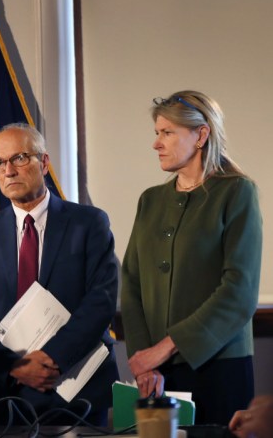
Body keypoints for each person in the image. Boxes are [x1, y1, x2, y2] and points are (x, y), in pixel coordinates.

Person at [0, 123, 119, 425]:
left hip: (76, 385)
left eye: (19, 158)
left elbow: (102, 300)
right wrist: (15, 365)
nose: (8, 171)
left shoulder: (89, 223)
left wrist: (52, 359)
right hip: (6, 391)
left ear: (44, 163)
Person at [121, 90, 262, 425]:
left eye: (167, 133)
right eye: (157, 133)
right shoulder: (150, 200)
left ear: (201, 135)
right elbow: (131, 283)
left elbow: (239, 291)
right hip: (157, 375)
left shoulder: (237, 192)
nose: (157, 143)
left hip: (219, 370)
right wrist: (146, 359)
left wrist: (167, 346)